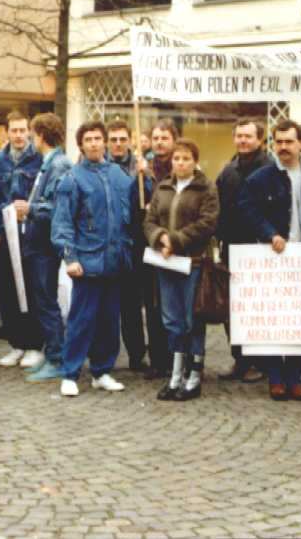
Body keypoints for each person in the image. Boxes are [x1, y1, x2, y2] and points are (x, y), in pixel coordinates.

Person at [239, 120, 301, 401]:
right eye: (279, 142)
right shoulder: (260, 179)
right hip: (272, 257)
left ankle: (295, 377)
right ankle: (276, 377)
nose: (284, 147)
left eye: (289, 141)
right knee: (275, 320)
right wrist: (269, 234)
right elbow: (248, 211)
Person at [52, 121, 132, 397]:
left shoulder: (120, 175)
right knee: (81, 320)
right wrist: (69, 257)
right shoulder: (72, 180)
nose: (95, 143)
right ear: (81, 145)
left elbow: (134, 211)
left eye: (99, 138)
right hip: (87, 262)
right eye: (89, 139)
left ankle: (102, 371)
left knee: (110, 321)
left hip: (115, 261)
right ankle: (70, 373)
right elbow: (62, 223)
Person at [145, 138, 219, 401]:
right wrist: (161, 238)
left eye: (186, 158)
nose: (180, 163)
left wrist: (176, 241)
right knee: (172, 320)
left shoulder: (206, 188)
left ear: (195, 161)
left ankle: (194, 376)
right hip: (166, 263)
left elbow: (207, 223)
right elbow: (150, 220)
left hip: (193, 262)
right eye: (177, 158)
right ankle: (175, 376)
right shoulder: (163, 187)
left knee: (192, 319)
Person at [215, 117, 273, 383]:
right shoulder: (228, 170)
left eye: (248, 136)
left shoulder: (271, 169)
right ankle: (240, 359)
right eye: (239, 136)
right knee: (233, 309)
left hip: (261, 248)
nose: (243, 141)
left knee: (257, 307)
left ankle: (260, 362)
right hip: (232, 247)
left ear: (260, 139)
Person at [0, 110, 43, 368]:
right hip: (8, 232)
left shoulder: (39, 157)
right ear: (6, 132)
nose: (19, 135)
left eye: (22, 130)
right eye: (14, 130)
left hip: (32, 232)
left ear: (29, 131)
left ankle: (34, 344)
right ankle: (17, 343)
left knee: (31, 287)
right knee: (9, 288)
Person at [19, 113, 72, 382]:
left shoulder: (59, 165)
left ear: (40, 134)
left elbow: (58, 207)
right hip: (38, 242)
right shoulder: (49, 163)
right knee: (43, 300)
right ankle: (52, 353)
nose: (30, 138)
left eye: (32, 132)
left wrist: (29, 209)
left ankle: (57, 358)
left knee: (47, 301)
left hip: (44, 244)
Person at [136, 118, 178, 379]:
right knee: (152, 305)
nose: (160, 142)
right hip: (151, 244)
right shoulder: (143, 170)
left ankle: (177, 358)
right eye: (156, 138)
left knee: (173, 306)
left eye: (165, 137)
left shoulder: (180, 166)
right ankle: (158, 359)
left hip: (175, 244)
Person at [106, 119, 148, 371]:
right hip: (109, 242)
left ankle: (136, 355)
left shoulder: (140, 167)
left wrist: (147, 176)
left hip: (134, 243)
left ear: (130, 140)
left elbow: (148, 200)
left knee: (132, 305)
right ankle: (106, 355)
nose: (118, 144)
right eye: (114, 139)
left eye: (123, 139)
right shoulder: (101, 166)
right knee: (107, 305)